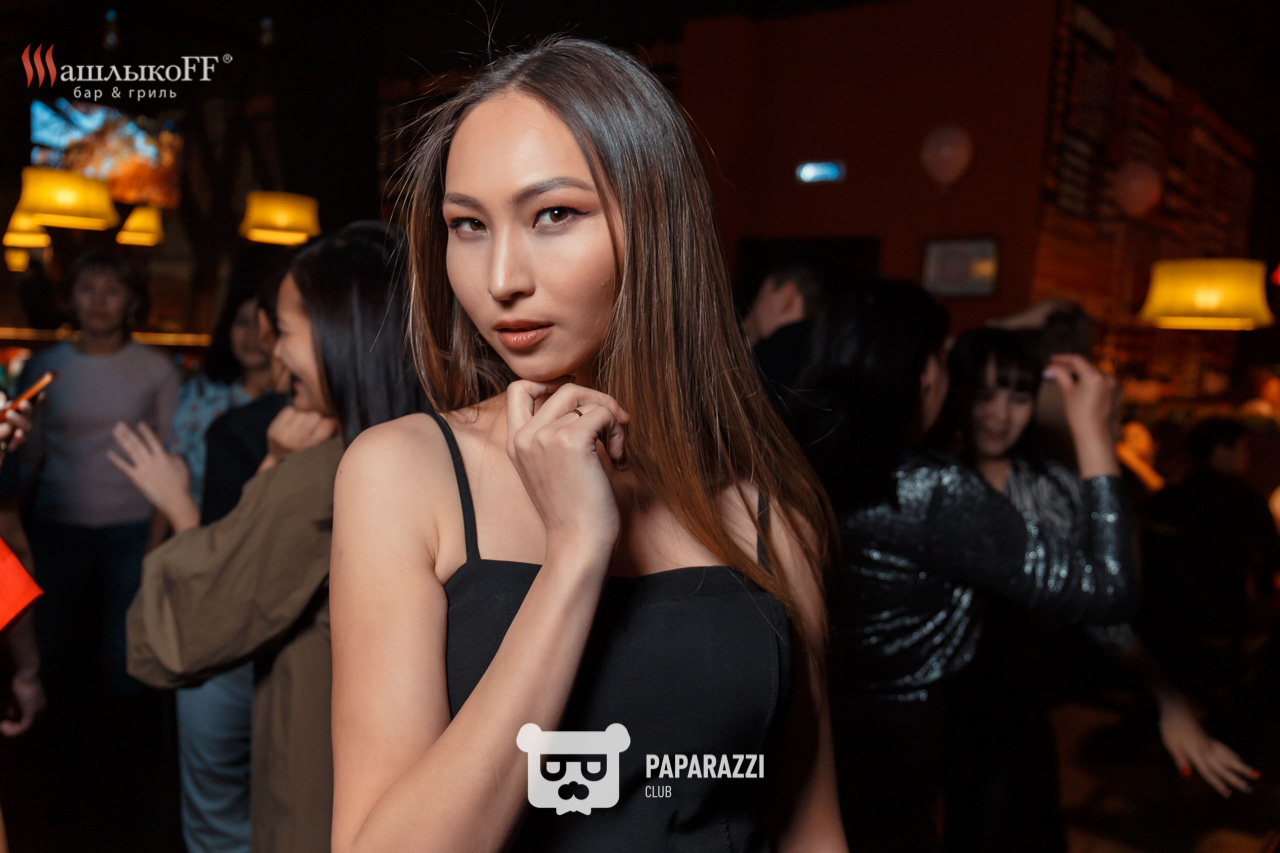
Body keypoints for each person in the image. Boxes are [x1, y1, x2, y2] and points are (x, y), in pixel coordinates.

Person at [330, 38, 846, 852]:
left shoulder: (769, 517)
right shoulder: (404, 475)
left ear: (657, 223)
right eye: (468, 225)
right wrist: (574, 553)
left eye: (554, 215)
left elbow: (810, 833)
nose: (501, 277)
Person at [791, 280, 1138, 853]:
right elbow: (1109, 590)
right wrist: (1094, 434)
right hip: (897, 757)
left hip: (811, 738)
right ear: (927, 375)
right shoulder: (931, 489)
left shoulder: (794, 460)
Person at [118, 222, 429, 853]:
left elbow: (168, 636)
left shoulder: (325, 473)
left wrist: (268, 474)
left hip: (325, 806)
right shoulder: (440, 443)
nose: (276, 355)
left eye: (284, 332)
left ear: (338, 336)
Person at [936, 327, 1257, 852]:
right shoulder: (929, 480)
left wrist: (1167, 700)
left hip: (1015, 704)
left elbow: (1101, 606)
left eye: (1019, 397)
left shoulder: (1050, 488)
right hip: (920, 707)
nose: (1000, 414)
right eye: (985, 394)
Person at [131, 245, 287, 853]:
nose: (252, 336)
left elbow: (248, 542)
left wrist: (178, 508)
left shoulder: (284, 425)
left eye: (270, 324)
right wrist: (154, 557)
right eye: (240, 322)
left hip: (234, 580)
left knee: (225, 797)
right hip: (200, 560)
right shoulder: (205, 398)